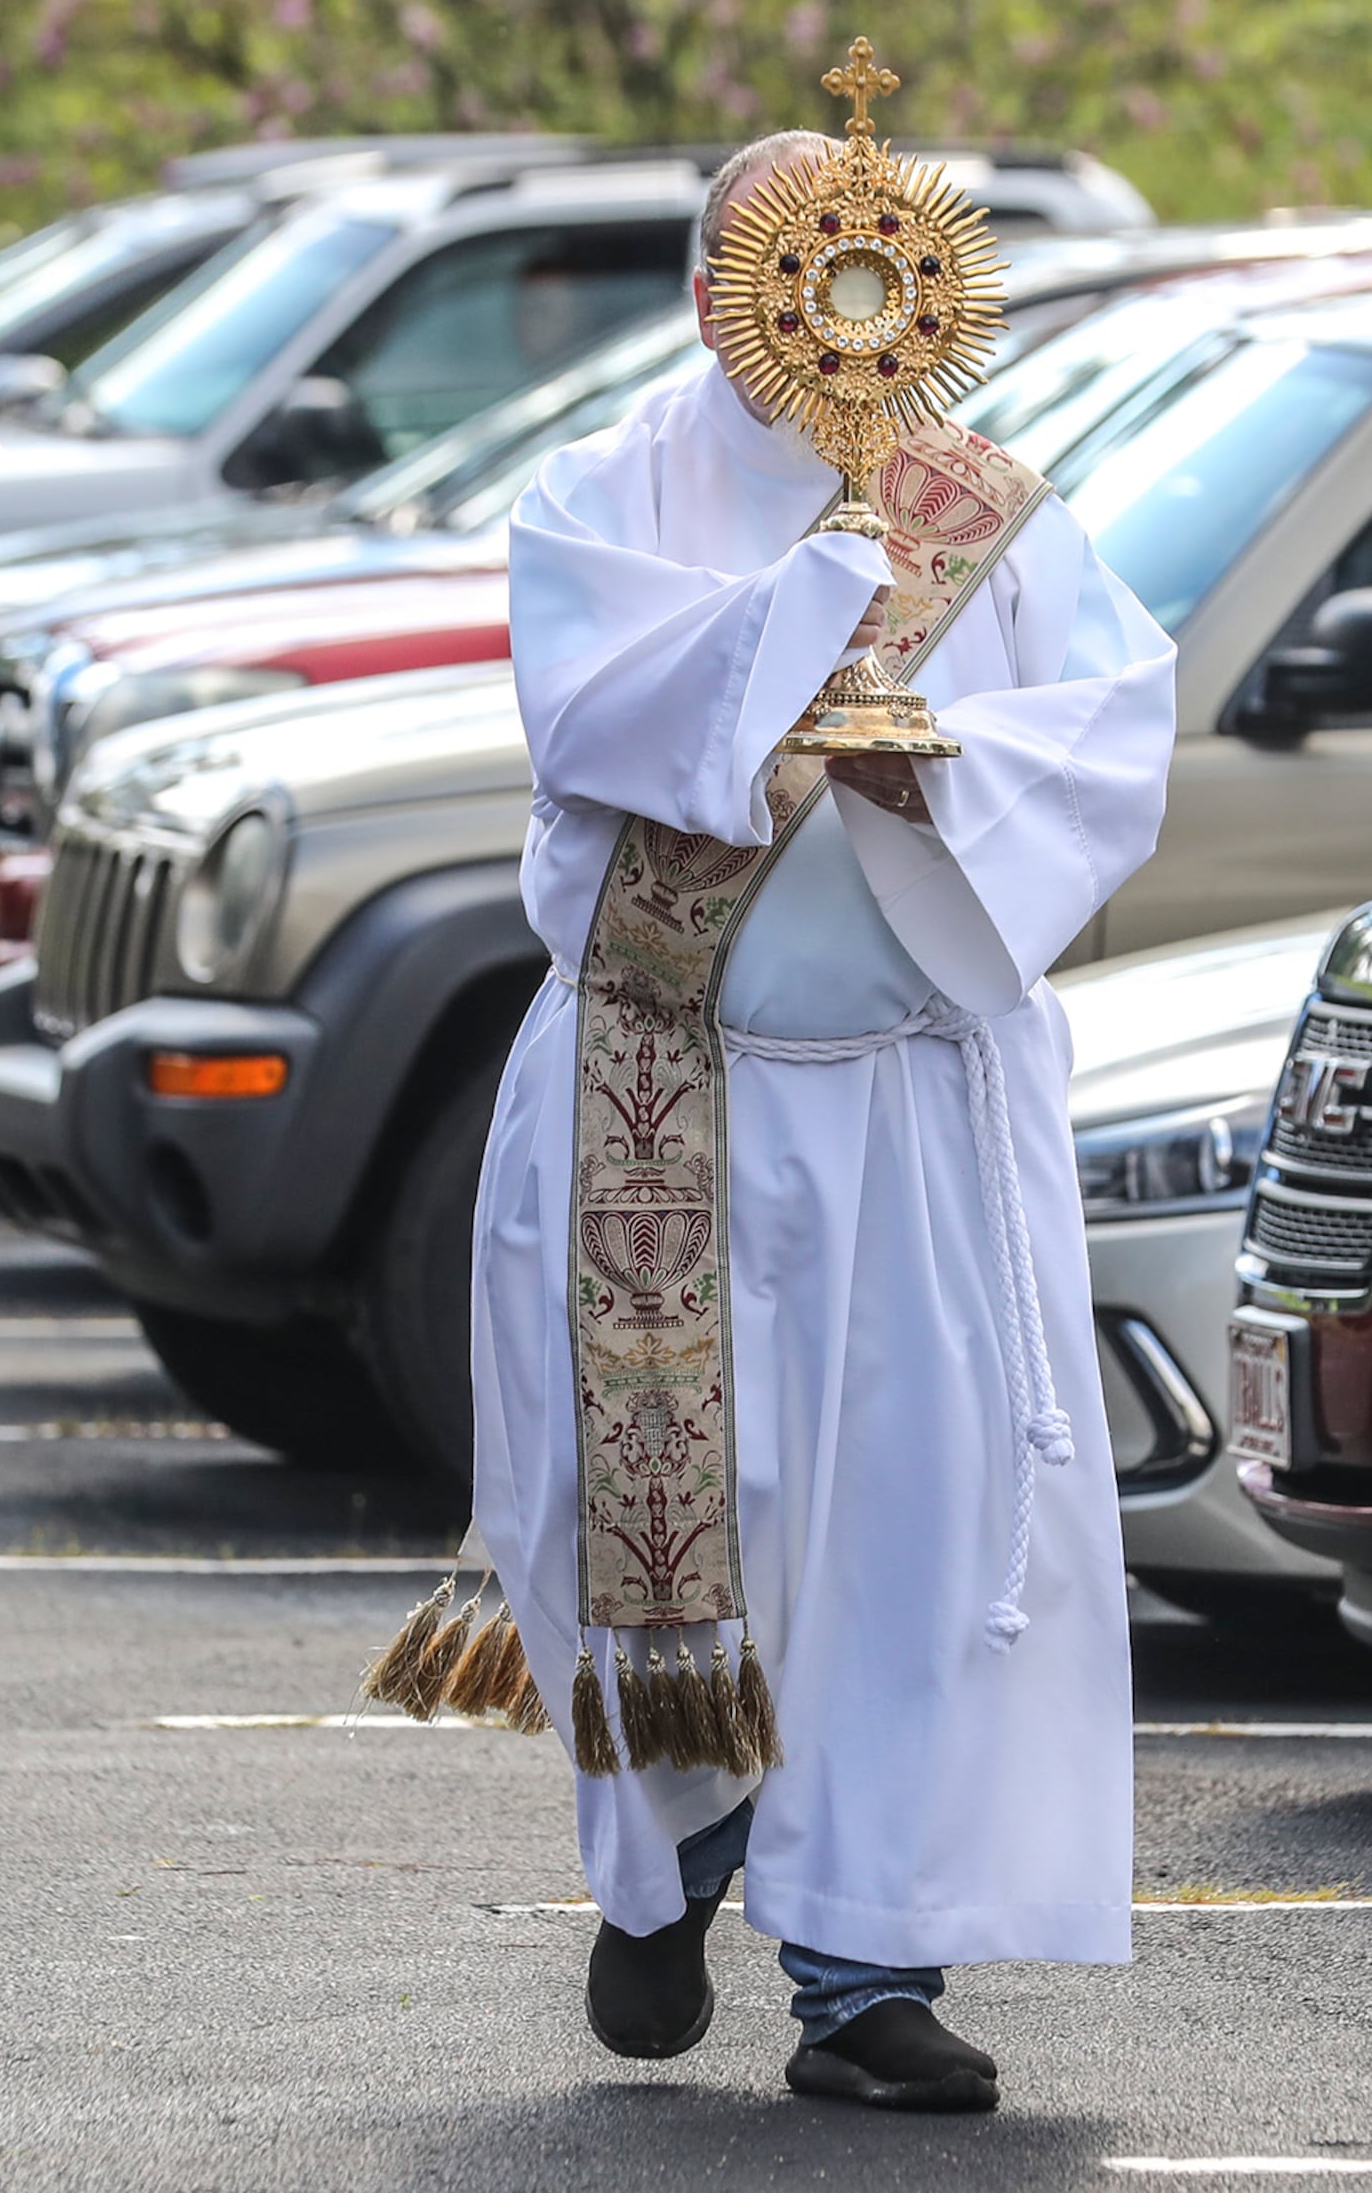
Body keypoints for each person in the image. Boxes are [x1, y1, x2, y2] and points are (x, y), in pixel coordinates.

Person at [468, 129, 1177, 2113]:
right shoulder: (610, 487)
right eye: (782, 258)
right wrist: (809, 620)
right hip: (665, 1100)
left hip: (918, 1110)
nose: (831, 302)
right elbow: (587, 711)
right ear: (711, 286)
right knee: (693, 1532)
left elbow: (1113, 738)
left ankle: (867, 1967)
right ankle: (679, 1849)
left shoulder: (1003, 513)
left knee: (916, 1532)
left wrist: (926, 766)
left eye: (872, 258)